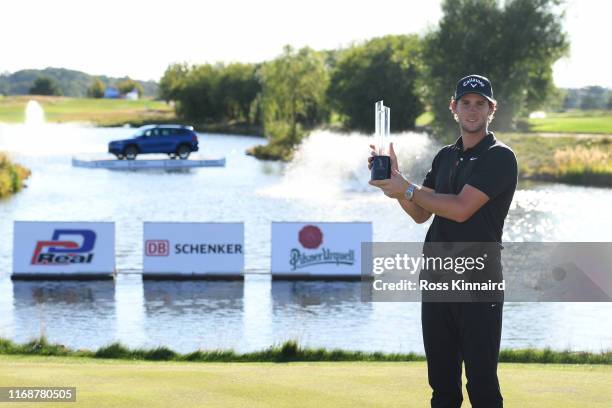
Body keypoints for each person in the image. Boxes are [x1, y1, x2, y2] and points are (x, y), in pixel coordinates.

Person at [368, 74, 517, 408]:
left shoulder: (500, 157)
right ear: (454, 108)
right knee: (443, 388)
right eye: (466, 103)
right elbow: (421, 212)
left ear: (492, 109)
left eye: (480, 104)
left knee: (481, 386)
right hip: (437, 281)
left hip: (478, 283)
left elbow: (462, 209)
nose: (473, 110)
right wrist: (394, 182)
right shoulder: (445, 157)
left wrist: (406, 187)